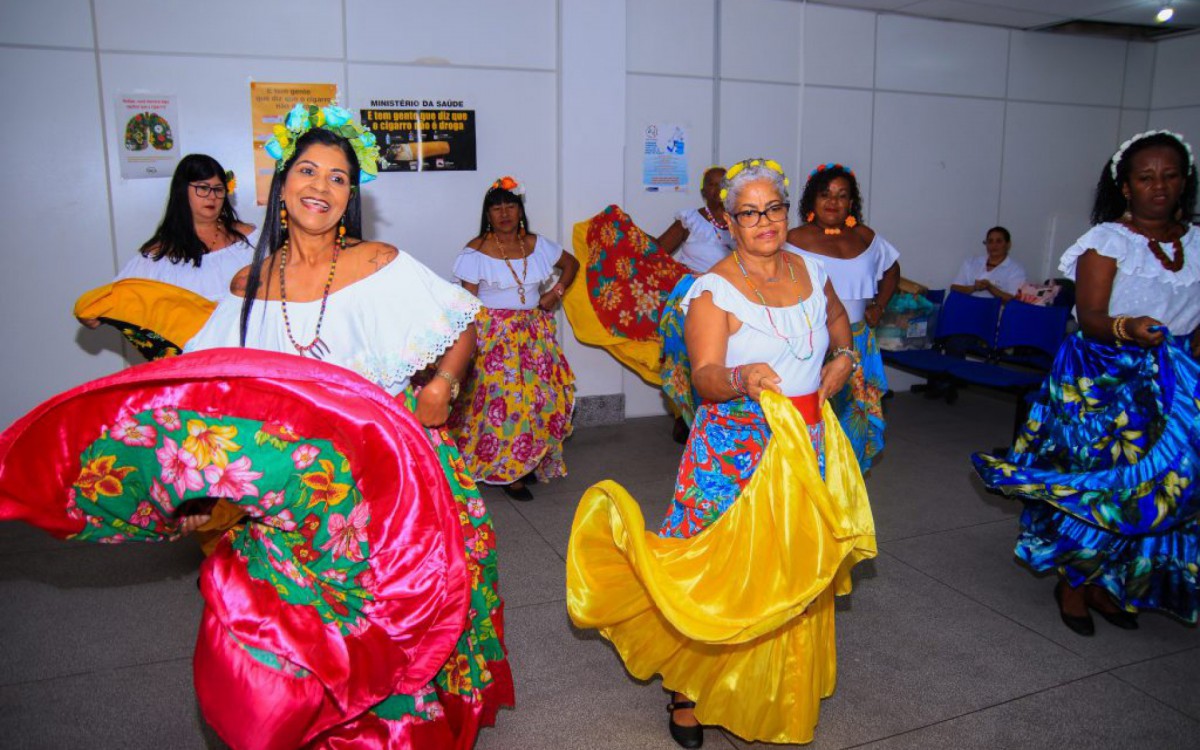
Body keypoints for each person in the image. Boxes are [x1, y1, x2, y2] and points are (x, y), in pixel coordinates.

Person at [183, 105, 513, 744]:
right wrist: (198, 484)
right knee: (288, 634)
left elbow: (462, 318)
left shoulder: (377, 263)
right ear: (282, 185)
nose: (322, 187)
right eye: (308, 170)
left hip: (390, 483)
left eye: (339, 178)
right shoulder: (246, 284)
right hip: (290, 493)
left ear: (350, 196)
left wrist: (442, 385)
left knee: (391, 632)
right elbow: (206, 393)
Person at [567, 158, 876, 748]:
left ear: (790, 212)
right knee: (716, 571)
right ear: (729, 222)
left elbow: (838, 318)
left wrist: (844, 356)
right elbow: (705, 376)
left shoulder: (812, 268)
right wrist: (743, 378)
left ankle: (774, 683)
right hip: (735, 450)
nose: (764, 221)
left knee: (787, 567)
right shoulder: (712, 289)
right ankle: (687, 692)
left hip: (805, 442)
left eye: (774, 209)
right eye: (749, 212)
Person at [973, 129, 1200, 635]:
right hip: (1109, 379)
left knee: (1155, 488)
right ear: (1125, 187)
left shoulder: (1197, 242)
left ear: (1185, 182)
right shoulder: (1107, 241)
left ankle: (1111, 584)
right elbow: (1092, 316)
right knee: (1104, 483)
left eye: (1169, 176)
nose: (1158, 187)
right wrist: (1132, 329)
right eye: (1145, 178)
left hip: (1177, 385)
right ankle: (1074, 584)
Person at [448, 176, 578, 501]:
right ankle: (510, 473)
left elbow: (571, 264)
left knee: (536, 400)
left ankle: (527, 459)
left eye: (510, 205)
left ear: (520, 210)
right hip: (494, 336)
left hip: (534, 333)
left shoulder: (536, 243)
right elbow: (467, 302)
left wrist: (555, 292)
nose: (504, 212)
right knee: (503, 404)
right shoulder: (475, 250)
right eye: (497, 207)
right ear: (487, 214)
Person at [76, 154, 257, 357]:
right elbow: (123, 296)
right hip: (191, 366)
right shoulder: (157, 256)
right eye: (202, 188)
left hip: (249, 356)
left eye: (218, 189)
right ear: (182, 191)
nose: (212, 196)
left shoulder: (253, 241)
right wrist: (94, 312)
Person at [786, 163, 899, 472]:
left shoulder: (865, 236)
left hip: (859, 343)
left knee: (855, 420)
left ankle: (846, 481)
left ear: (851, 202)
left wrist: (879, 306)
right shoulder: (792, 239)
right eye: (825, 194)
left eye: (841, 195)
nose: (833, 202)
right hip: (815, 344)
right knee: (815, 418)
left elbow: (892, 269)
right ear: (812, 201)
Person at [656, 165, 734, 273]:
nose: (718, 188)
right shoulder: (689, 220)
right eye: (712, 184)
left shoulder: (741, 222)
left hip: (729, 287)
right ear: (703, 192)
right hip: (693, 287)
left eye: (722, 184)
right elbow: (656, 252)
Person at [950, 226, 1027, 302]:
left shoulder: (1016, 270)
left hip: (996, 313)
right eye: (990, 241)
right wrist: (974, 288)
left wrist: (990, 288)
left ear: (1008, 244)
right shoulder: (971, 262)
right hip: (968, 309)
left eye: (999, 241)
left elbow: (1013, 300)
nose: (994, 245)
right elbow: (954, 288)